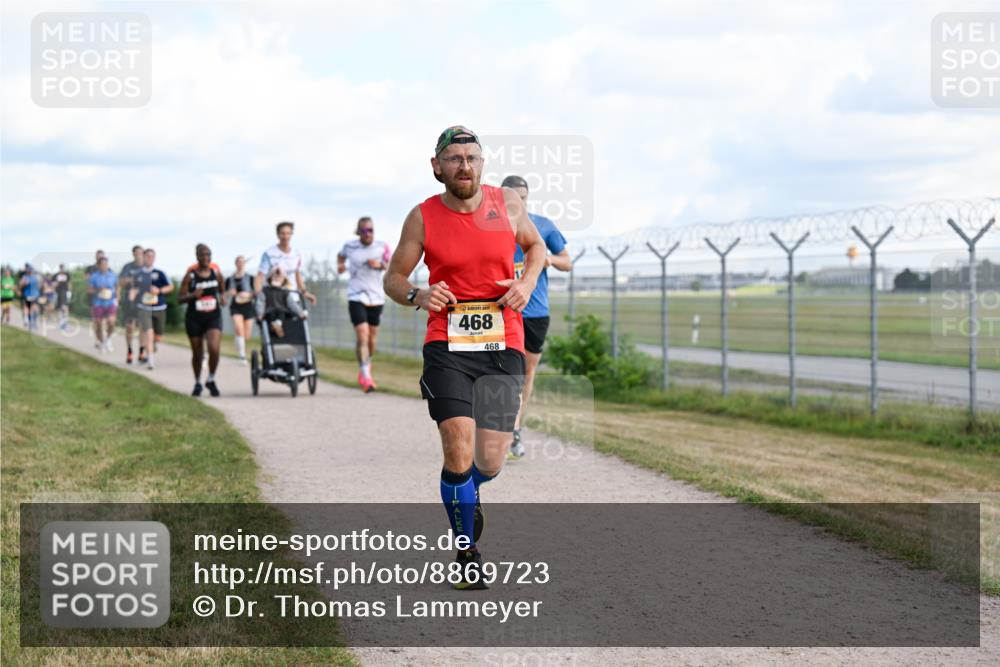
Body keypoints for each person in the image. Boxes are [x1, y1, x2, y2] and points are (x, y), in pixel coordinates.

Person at [384, 125, 545, 589]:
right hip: (447, 344)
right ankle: (466, 552)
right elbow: (393, 278)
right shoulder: (423, 217)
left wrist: (527, 282)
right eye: (454, 158)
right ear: (437, 166)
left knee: (490, 462)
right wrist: (417, 294)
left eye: (471, 157)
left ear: (482, 163)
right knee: (457, 446)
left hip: (502, 341)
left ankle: (468, 494)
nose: (464, 166)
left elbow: (535, 248)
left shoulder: (506, 205)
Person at [499, 175, 572, 459]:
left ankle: (515, 428)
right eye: (513, 198)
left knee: (525, 375)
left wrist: (546, 259)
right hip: (502, 309)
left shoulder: (542, 227)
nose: (519, 203)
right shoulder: (490, 227)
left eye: (523, 198)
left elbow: (567, 262)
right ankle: (495, 425)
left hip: (535, 311)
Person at [338, 216, 392, 391]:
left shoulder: (382, 246)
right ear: (358, 232)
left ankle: (366, 365)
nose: (367, 234)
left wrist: (380, 265)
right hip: (356, 295)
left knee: (372, 338)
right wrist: (340, 266)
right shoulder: (350, 246)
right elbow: (341, 256)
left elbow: (390, 265)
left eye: (370, 230)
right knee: (362, 335)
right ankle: (366, 377)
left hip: (376, 297)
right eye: (364, 230)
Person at [179, 244, 226, 396]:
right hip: (195, 318)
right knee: (197, 354)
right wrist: (193, 295)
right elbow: (180, 298)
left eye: (208, 255)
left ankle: (211, 379)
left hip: (213, 316)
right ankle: (198, 382)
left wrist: (223, 297)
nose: (206, 258)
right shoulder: (190, 276)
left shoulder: (216, 273)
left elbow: (222, 288)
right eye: (203, 255)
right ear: (197, 257)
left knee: (214, 348)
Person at [254, 221, 317, 308]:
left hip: (293, 298)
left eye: (288, 233)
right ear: (277, 235)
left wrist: (305, 292)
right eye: (282, 233)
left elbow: (297, 276)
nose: (285, 236)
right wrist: (258, 294)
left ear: (291, 234)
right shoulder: (269, 253)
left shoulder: (296, 254)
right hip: (274, 300)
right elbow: (260, 276)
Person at [132, 248, 173, 370]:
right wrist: (133, 294)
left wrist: (159, 290)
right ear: (143, 257)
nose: (149, 258)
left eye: (151, 256)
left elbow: (170, 287)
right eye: (147, 256)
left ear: (154, 258)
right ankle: (150, 361)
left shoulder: (160, 273)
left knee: (158, 335)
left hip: (159, 307)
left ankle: (152, 346)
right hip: (144, 307)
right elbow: (134, 289)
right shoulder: (138, 275)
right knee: (148, 333)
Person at [255, 266, 308, 339]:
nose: (277, 278)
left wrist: (301, 313)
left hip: (283, 315)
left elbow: (292, 304)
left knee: (281, 312)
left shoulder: (285, 292)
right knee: (273, 312)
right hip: (269, 314)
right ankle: (275, 326)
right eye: (275, 277)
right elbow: (260, 303)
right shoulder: (265, 291)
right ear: (270, 278)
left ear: (284, 280)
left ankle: (277, 325)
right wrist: (260, 314)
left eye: (279, 277)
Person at [225, 255, 255, 364]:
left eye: (242, 262)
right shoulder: (230, 279)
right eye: (238, 261)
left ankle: (238, 340)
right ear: (236, 263)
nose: (240, 264)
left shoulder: (251, 278)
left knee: (246, 335)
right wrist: (229, 293)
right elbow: (224, 294)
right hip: (236, 306)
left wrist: (248, 294)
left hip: (248, 305)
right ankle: (242, 356)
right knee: (239, 328)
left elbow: (256, 292)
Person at [118, 245, 146, 363]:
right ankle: (129, 351)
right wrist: (129, 280)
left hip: (144, 300)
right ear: (133, 254)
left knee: (142, 327)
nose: (139, 255)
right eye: (137, 253)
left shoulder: (147, 266)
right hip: (130, 300)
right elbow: (120, 282)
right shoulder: (128, 267)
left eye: (141, 253)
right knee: (130, 327)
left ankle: (141, 352)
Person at [87, 256, 118, 353]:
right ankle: (101, 342)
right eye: (102, 264)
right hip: (98, 302)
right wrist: (98, 289)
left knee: (111, 322)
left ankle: (108, 339)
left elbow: (117, 287)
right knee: (98, 323)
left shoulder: (112, 275)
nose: (104, 266)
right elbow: (89, 290)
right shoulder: (94, 276)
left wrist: (118, 297)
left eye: (106, 264)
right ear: (98, 265)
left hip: (110, 301)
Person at [19, 264, 41, 330]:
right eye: (29, 270)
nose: (30, 271)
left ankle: (34, 322)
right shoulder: (25, 277)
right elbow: (20, 285)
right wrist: (24, 284)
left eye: (31, 270)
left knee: (36, 309)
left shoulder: (35, 278)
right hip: (27, 295)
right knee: (27, 308)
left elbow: (39, 286)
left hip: (35, 295)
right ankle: (27, 320)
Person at [53, 264, 72, 331]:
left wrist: (69, 292)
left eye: (63, 268)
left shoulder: (67, 274)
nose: (62, 269)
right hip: (58, 292)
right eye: (61, 268)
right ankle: (61, 322)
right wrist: (56, 283)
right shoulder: (56, 275)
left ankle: (65, 322)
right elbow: (53, 284)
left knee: (65, 307)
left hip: (65, 292)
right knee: (59, 308)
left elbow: (69, 283)